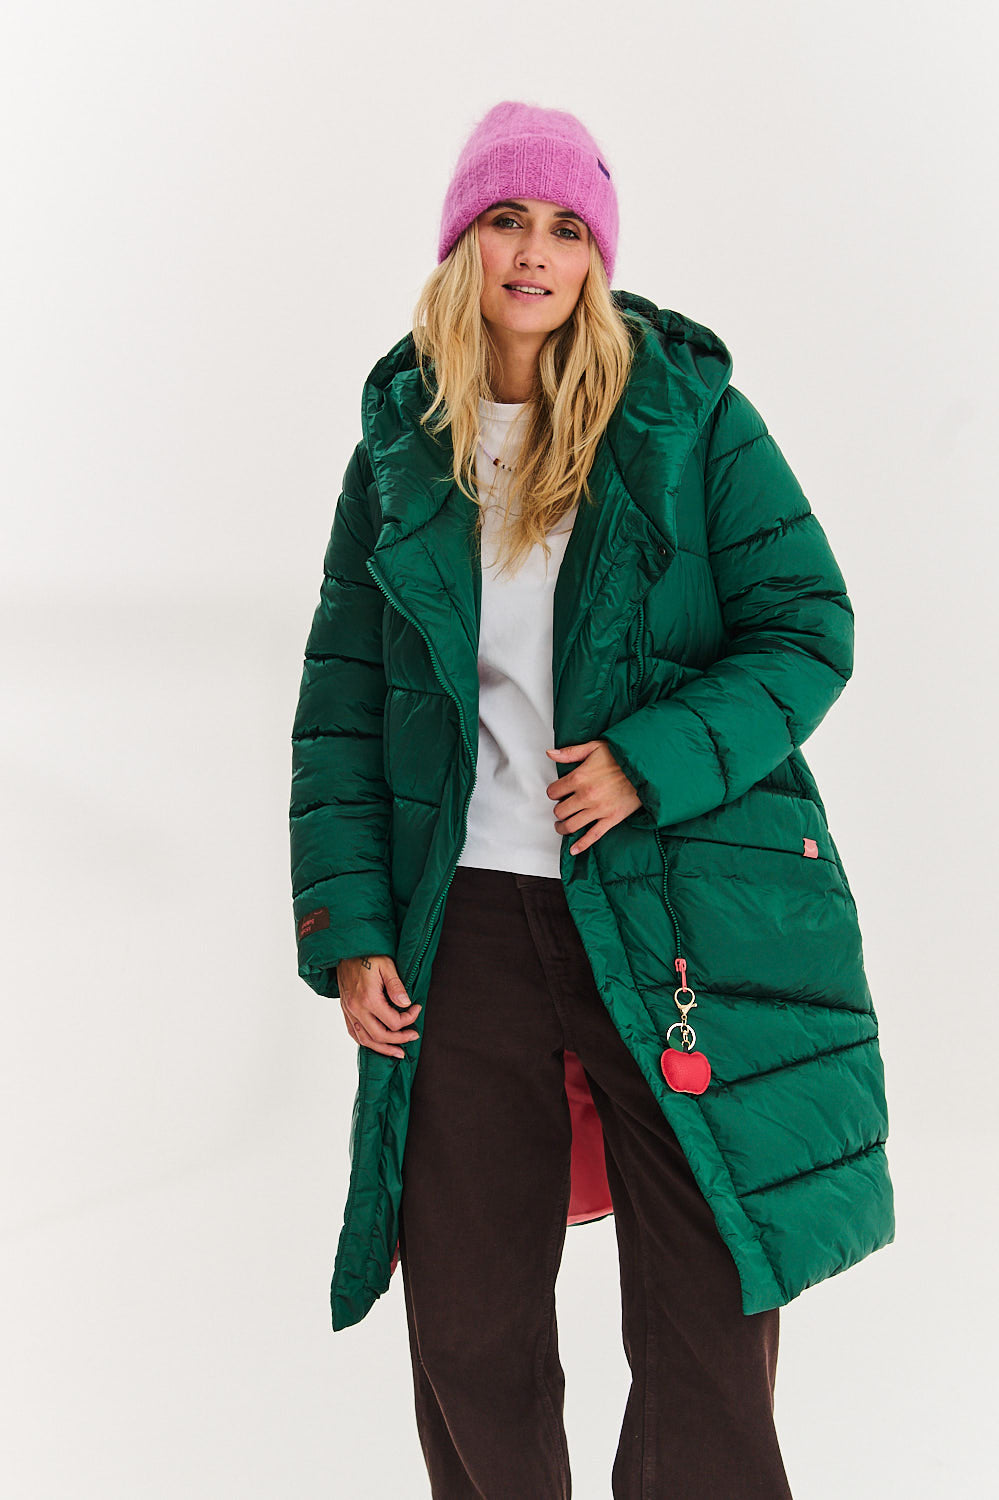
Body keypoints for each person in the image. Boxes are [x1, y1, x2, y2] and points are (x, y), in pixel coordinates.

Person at [289, 99, 895, 1499]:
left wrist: (648, 759)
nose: (536, 253)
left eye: (567, 229)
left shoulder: (685, 421)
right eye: (508, 219)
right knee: (468, 1315)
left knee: (706, 1304)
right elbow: (342, 701)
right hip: (465, 925)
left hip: (666, 904)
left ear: (597, 258)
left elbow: (809, 626)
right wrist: (352, 927)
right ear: (463, 241)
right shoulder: (404, 450)